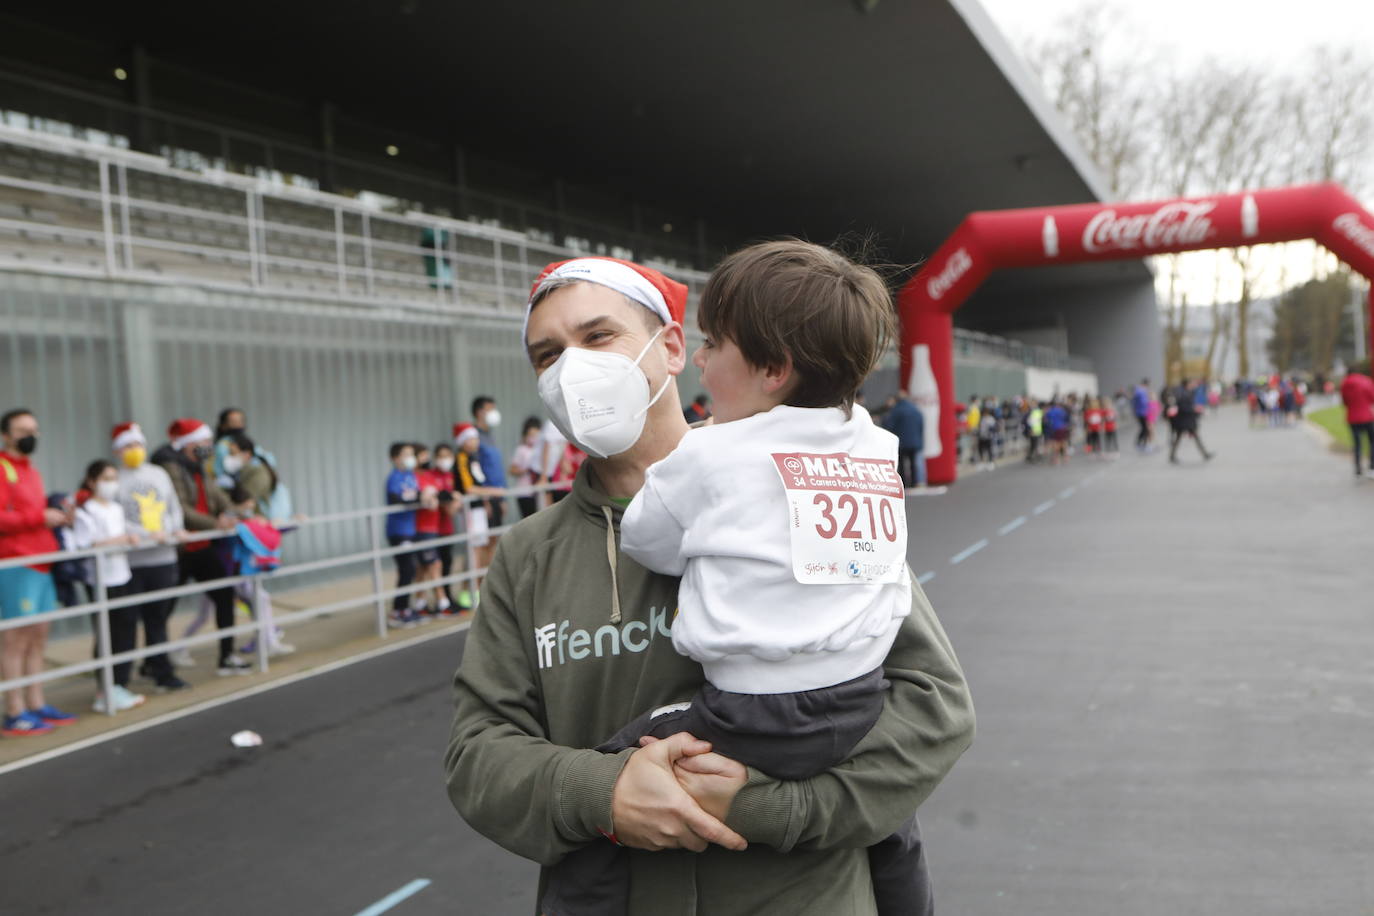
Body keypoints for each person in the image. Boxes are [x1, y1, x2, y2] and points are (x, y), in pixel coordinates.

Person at [446, 254, 974, 916]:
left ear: (671, 348)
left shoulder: (811, 486)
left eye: (597, 336)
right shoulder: (528, 556)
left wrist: (781, 810)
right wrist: (600, 793)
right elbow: (477, 753)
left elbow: (935, 705)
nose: (570, 369)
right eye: (547, 355)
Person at [153, 418, 252, 677]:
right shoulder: (171, 468)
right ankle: (153, 662)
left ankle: (227, 656)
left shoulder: (199, 466)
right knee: (163, 609)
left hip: (202, 545)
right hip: (181, 548)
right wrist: (215, 524)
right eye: (205, 441)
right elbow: (181, 507)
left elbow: (217, 496)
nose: (209, 445)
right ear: (189, 443)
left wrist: (238, 515)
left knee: (224, 595)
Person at [0, 408, 78, 736]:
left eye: (34, 429)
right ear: (6, 435)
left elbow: (32, 512)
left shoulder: (30, 470)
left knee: (38, 638)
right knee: (15, 640)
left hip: (41, 562)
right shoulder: (3, 468)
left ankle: (36, 702)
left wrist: (59, 516)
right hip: (16, 564)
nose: (30, 436)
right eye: (22, 430)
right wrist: (39, 518)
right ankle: (14, 711)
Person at [112, 422, 190, 688]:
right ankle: (119, 681)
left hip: (163, 558)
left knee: (158, 618)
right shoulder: (115, 479)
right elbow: (113, 519)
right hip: (132, 562)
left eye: (137, 444)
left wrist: (170, 530)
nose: (134, 450)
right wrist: (145, 535)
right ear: (118, 450)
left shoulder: (158, 474)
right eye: (128, 446)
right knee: (126, 622)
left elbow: (173, 507)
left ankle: (161, 671)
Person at [72, 459, 146, 713]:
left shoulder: (115, 508)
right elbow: (85, 544)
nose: (111, 484)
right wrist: (119, 540)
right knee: (106, 634)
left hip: (122, 575)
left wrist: (137, 536)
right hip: (100, 580)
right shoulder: (86, 511)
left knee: (126, 631)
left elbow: (129, 530)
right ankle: (105, 689)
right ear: (92, 482)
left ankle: (119, 683)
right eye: (106, 478)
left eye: (114, 478)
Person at [453, 423, 506, 596]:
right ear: (462, 441)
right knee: (473, 551)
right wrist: (493, 491)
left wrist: (486, 502)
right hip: (470, 510)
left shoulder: (474, 458)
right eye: (471, 438)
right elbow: (468, 488)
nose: (475, 441)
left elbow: (479, 482)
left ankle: (479, 588)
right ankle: (469, 591)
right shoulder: (461, 458)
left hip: (479, 509)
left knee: (482, 548)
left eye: (476, 438)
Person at [384, 441, 422, 628]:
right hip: (398, 531)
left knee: (410, 570)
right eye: (406, 454)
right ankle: (397, 611)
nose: (410, 457)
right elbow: (395, 498)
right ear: (395, 458)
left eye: (411, 453)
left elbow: (418, 494)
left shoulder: (410, 476)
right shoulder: (395, 477)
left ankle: (405, 608)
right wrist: (417, 497)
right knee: (407, 569)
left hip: (411, 529)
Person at [429, 443, 465, 614]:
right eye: (442, 455)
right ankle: (440, 601)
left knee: (447, 565)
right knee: (434, 566)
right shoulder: (432, 476)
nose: (445, 459)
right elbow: (445, 502)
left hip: (447, 528)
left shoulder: (450, 476)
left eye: (448, 455)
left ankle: (448, 598)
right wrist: (455, 500)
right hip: (435, 529)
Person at [471, 396, 509, 555]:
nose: (494, 412)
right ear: (479, 412)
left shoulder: (489, 436)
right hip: (486, 497)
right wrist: (485, 498)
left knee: (494, 541)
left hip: (497, 495)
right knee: (484, 546)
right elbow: (475, 471)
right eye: (490, 409)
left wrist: (503, 498)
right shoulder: (474, 438)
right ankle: (478, 580)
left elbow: (496, 468)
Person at [880, 391, 924, 489]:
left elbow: (888, 425)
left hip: (902, 442)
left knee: (902, 464)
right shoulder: (915, 409)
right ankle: (914, 482)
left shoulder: (897, 410)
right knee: (913, 463)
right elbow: (921, 423)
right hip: (914, 441)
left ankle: (904, 483)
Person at [1165, 379, 1214, 464]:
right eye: (1192, 383)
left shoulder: (1187, 392)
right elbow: (1182, 407)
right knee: (1190, 437)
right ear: (1187, 384)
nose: (1193, 385)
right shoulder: (1182, 393)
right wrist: (1194, 410)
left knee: (1181, 438)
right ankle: (1205, 454)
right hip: (1184, 421)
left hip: (1187, 420)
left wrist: (1195, 409)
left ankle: (1172, 456)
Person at [1340, 361, 1374, 477]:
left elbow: (1344, 401)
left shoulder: (1345, 383)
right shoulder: (1366, 381)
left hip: (1353, 417)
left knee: (1357, 443)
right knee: (1372, 442)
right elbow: (1372, 397)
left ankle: (1358, 467)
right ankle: (1372, 466)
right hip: (1367, 416)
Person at [508, 417, 544, 519]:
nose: (534, 438)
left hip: (538, 491)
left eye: (536, 435)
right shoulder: (521, 449)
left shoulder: (541, 450)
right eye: (531, 435)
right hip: (525, 492)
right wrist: (526, 470)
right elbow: (512, 470)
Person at [1044, 399, 1070, 465]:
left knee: (1056, 443)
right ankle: (1065, 456)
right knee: (1063, 442)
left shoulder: (1050, 411)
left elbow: (1046, 420)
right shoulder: (1062, 411)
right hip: (1063, 427)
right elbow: (1066, 419)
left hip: (1055, 428)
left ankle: (1056, 458)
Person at [1132, 378, 1151, 451]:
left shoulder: (1140, 391)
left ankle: (1141, 443)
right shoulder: (1141, 391)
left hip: (1141, 412)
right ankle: (1142, 444)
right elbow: (1143, 402)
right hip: (1141, 412)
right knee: (1145, 429)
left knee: (1144, 428)